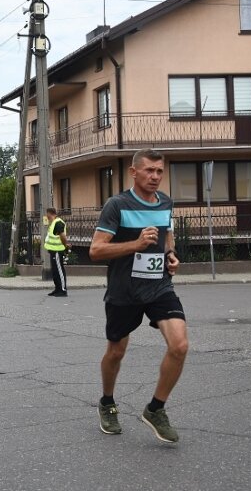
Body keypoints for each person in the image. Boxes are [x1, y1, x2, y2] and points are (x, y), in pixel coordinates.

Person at [89, 148, 187, 443]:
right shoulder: (117, 205)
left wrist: (171, 254)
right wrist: (135, 244)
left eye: (159, 171)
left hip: (159, 286)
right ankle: (107, 401)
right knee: (116, 351)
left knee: (180, 345)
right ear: (134, 172)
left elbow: (167, 234)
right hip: (124, 290)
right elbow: (96, 250)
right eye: (149, 171)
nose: (155, 176)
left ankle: (156, 409)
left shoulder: (166, 202)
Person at [44, 207, 70, 297]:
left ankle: (63, 290)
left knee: (59, 270)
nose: (46, 216)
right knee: (55, 271)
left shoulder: (58, 222)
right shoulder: (53, 223)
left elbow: (62, 236)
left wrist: (65, 246)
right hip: (53, 251)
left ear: (49, 213)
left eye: (46, 214)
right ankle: (57, 289)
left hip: (58, 251)